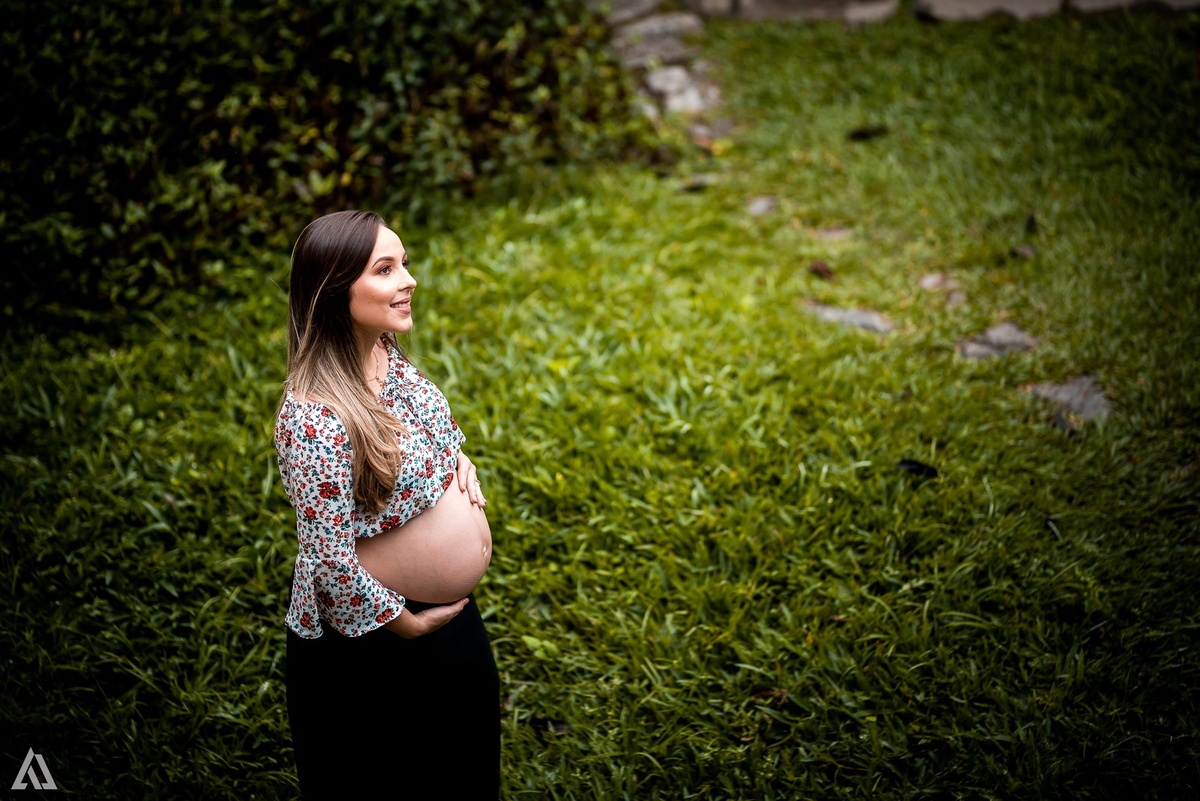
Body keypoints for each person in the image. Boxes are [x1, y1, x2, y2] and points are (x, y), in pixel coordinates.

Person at [274, 210, 499, 799]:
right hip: (373, 644)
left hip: (445, 620)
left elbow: (419, 427)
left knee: (468, 776)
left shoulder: (384, 348)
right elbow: (327, 557)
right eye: (386, 268)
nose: (409, 280)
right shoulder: (312, 417)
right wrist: (403, 623)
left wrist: (456, 458)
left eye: (405, 263)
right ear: (332, 292)